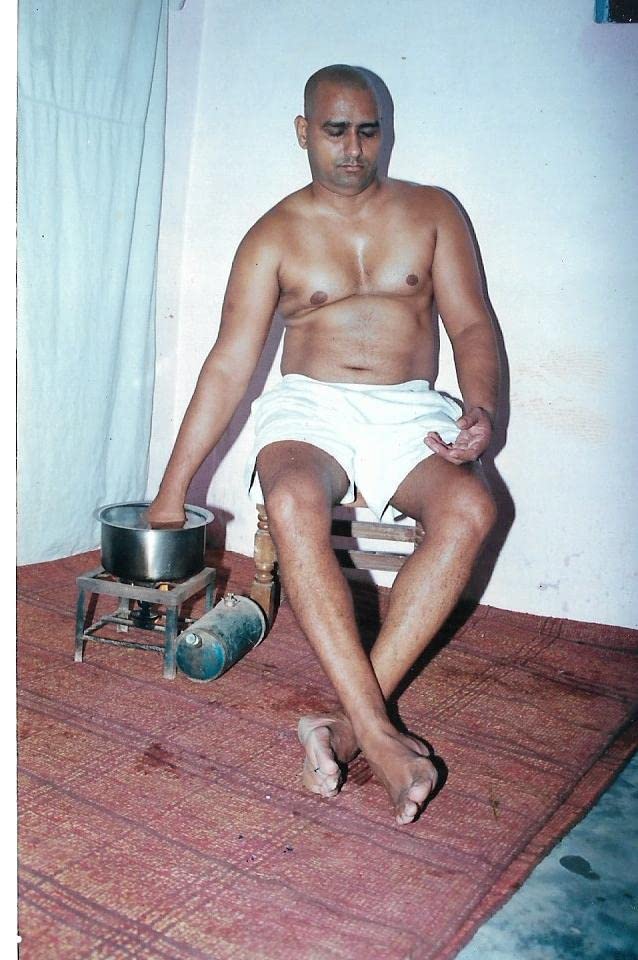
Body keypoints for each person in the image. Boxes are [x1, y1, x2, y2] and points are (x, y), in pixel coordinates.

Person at [147, 64, 499, 825]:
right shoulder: (272, 235)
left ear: (386, 132)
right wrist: (173, 491)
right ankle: (375, 730)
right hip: (309, 406)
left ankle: (339, 728)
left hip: (409, 406)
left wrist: (482, 410)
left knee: (471, 509)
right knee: (293, 497)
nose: (352, 149)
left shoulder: (434, 212)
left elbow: (472, 325)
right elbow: (229, 364)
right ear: (305, 132)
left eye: (368, 130)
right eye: (335, 131)